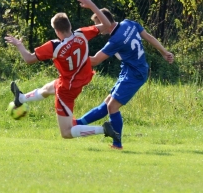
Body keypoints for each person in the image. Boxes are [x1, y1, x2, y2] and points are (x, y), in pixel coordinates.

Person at [4, 0, 120, 143]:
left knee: (66, 132)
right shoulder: (82, 34)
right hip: (79, 78)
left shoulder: (54, 46)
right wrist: (91, 5)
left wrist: (19, 45)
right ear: (69, 26)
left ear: (57, 31)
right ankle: (21, 98)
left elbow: (28, 59)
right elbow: (107, 23)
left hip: (67, 88)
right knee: (47, 89)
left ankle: (103, 129)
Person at [74, 10, 174, 149]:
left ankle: (117, 144)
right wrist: (165, 52)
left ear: (104, 22)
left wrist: (72, 58)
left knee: (112, 106)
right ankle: (77, 124)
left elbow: (95, 60)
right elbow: (149, 37)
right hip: (131, 69)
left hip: (135, 74)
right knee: (107, 104)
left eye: (97, 24)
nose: (96, 28)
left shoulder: (115, 40)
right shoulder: (128, 23)